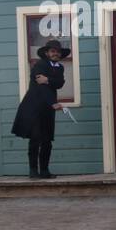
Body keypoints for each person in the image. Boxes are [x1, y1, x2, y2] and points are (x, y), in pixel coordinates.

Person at [11, 38, 69, 178]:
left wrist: (48, 80)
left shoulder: (60, 67)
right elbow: (40, 85)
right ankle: (33, 170)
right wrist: (52, 102)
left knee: (47, 140)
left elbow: (59, 83)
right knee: (36, 138)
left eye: (58, 52)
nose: (56, 53)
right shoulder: (39, 65)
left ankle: (44, 170)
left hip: (48, 109)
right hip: (34, 106)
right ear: (47, 53)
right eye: (53, 51)